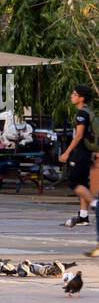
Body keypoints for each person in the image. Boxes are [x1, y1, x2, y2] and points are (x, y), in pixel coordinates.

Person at [61, 84, 95, 229]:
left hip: (81, 152)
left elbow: (79, 135)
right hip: (87, 152)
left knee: (73, 182)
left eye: (74, 94)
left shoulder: (82, 113)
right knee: (82, 183)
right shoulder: (88, 111)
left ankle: (95, 204)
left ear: (81, 98)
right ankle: (83, 216)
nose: (71, 96)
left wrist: (67, 152)